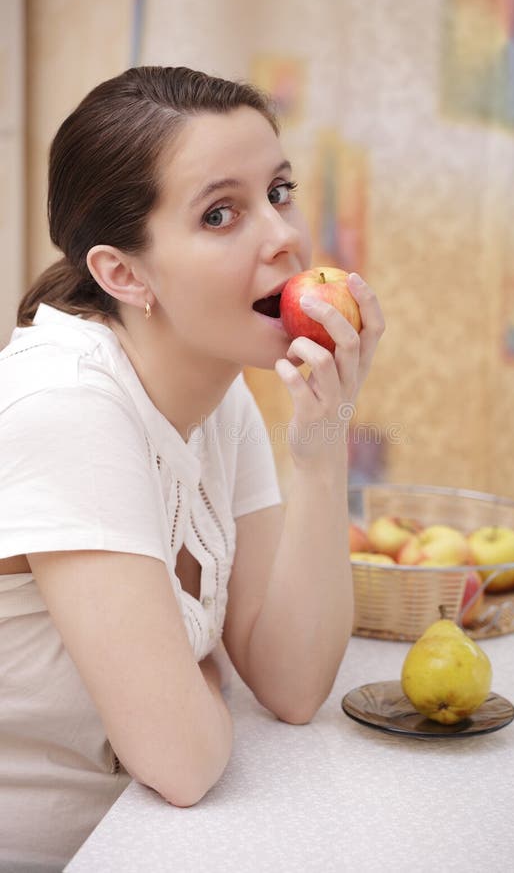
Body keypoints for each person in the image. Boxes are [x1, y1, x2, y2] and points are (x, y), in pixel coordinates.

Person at [0, 66, 384, 871]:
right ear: (124, 275)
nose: (282, 236)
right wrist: (204, 682)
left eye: (279, 191)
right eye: (221, 214)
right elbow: (183, 763)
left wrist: (322, 444)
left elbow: (290, 684)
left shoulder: (220, 392)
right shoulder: (66, 403)